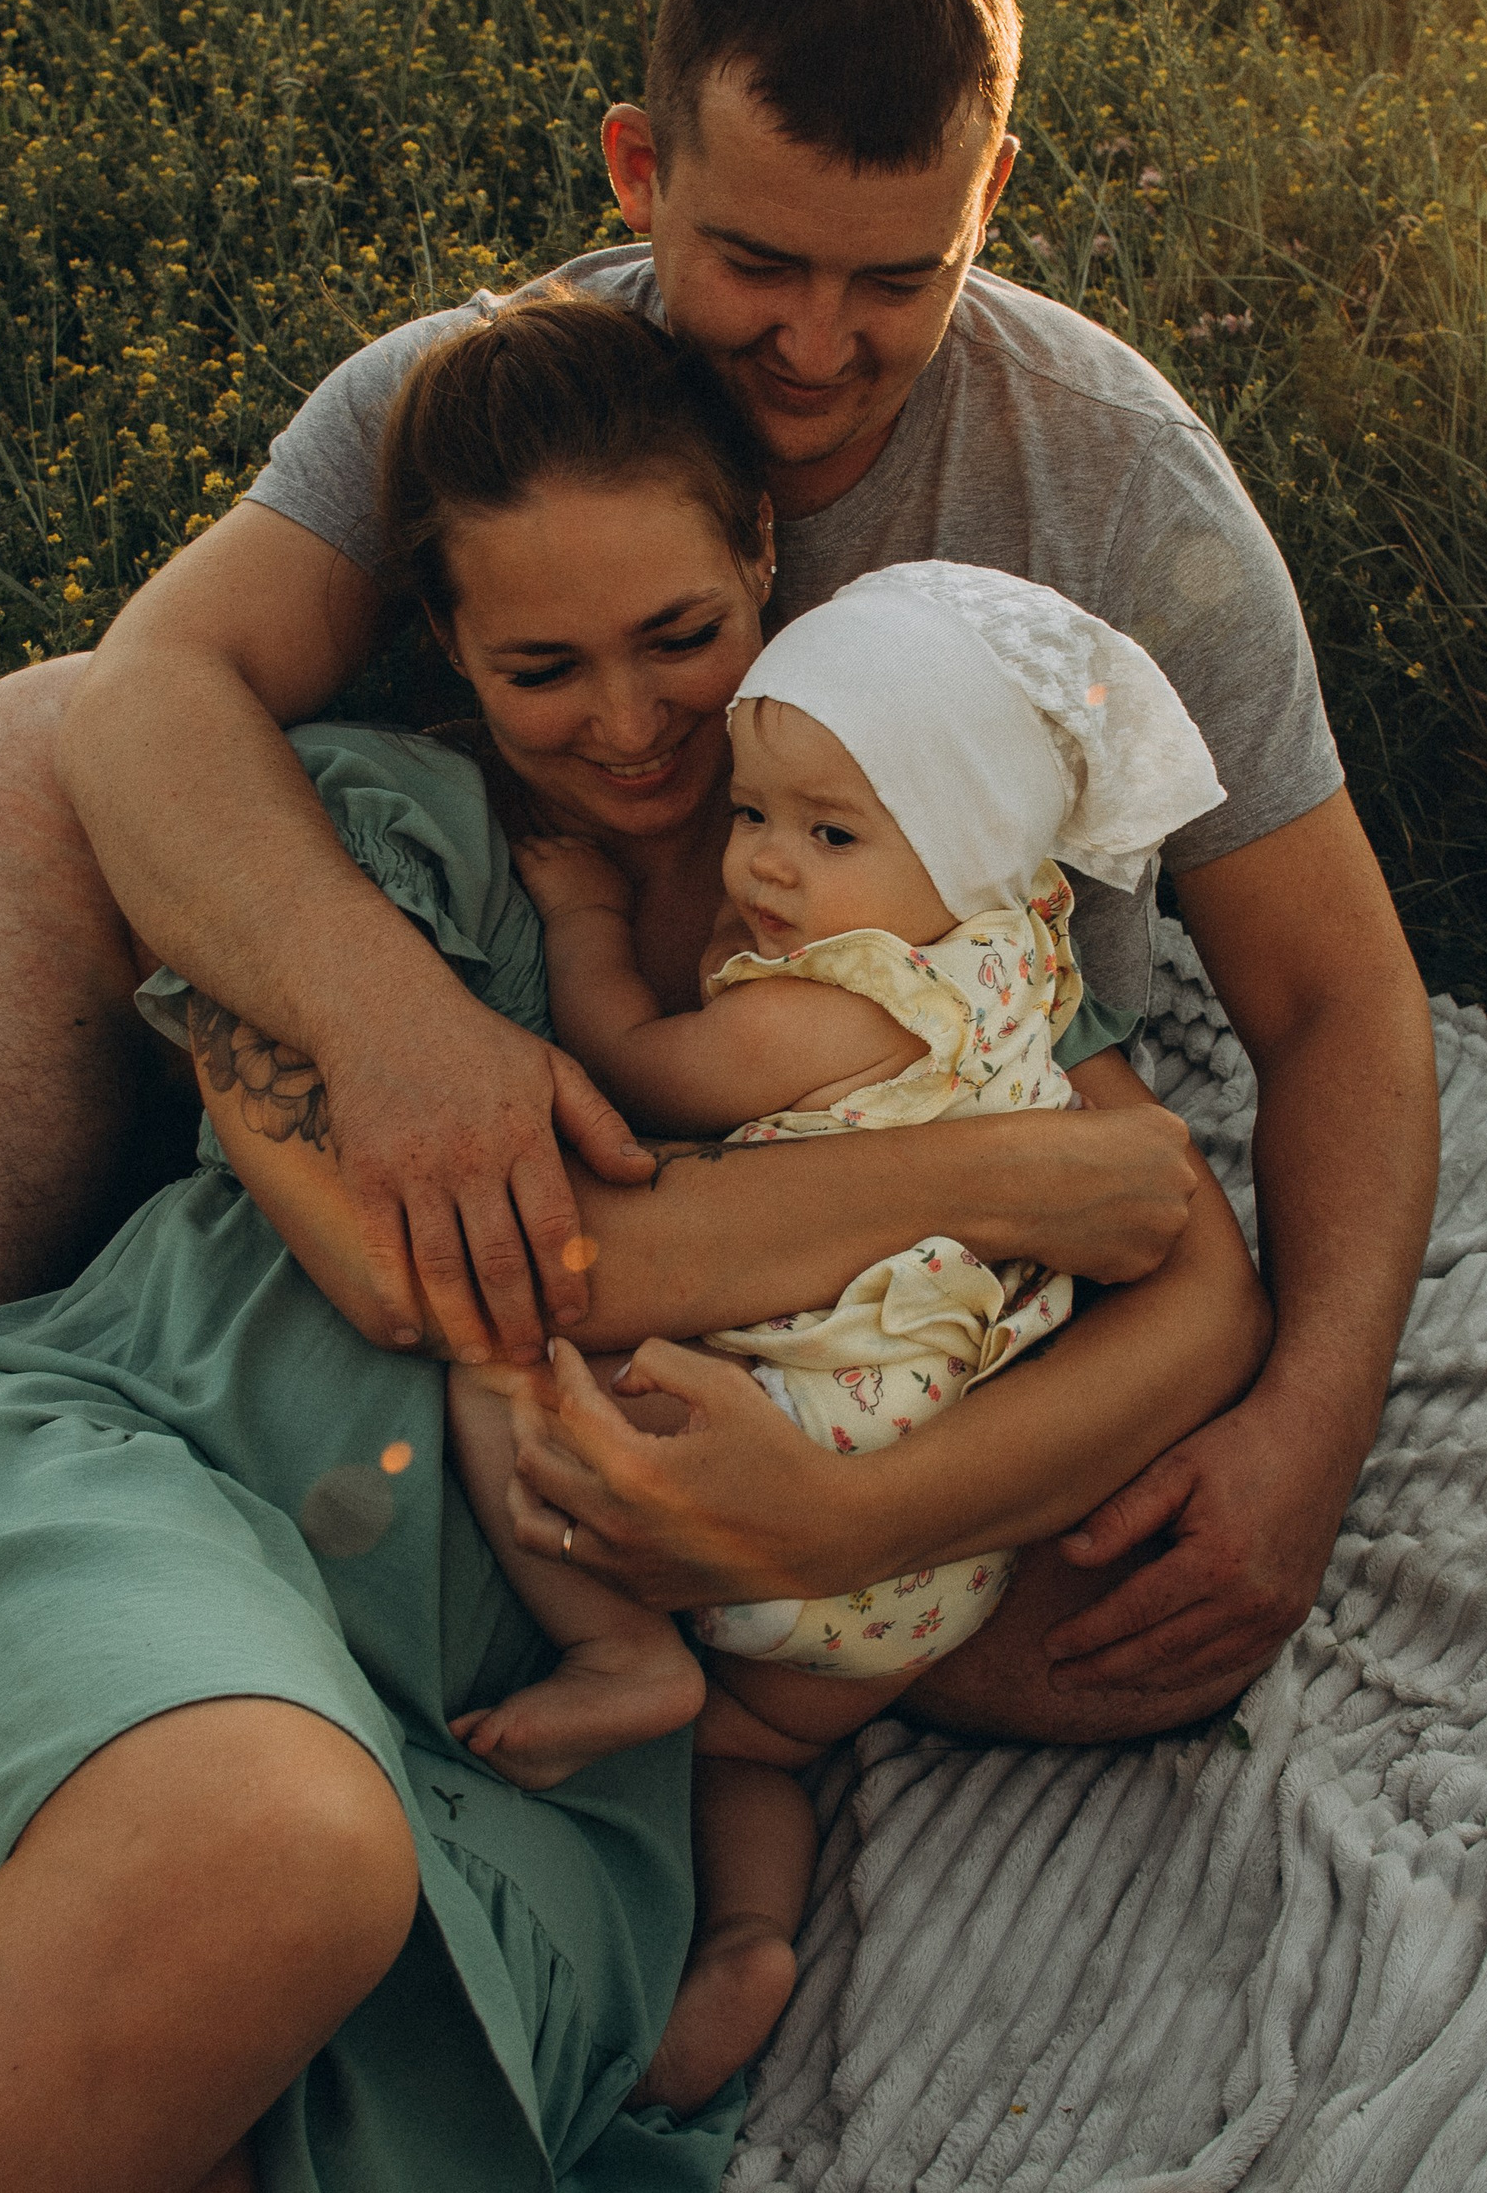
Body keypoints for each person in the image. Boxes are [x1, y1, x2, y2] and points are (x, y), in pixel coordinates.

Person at [0, 0, 1441, 1739]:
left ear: (992, 197)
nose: (821, 345)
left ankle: (690, 1621)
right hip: (581, 1114)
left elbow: (1333, 999)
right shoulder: (487, 410)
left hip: (952, 1177)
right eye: (758, 262)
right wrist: (394, 1026)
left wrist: (1307, 1435)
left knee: (1138, 1615)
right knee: (31, 745)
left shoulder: (1120, 483)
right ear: (638, 171)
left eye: (898, 277)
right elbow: (138, 699)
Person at [0, 300, 1247, 2185]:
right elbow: (430, 1265)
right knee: (269, 1846)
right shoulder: (370, 847)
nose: (632, 721)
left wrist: (848, 1521)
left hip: (526, 1744)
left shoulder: (911, 888)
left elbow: (1185, 1260)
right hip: (182, 1476)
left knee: (218, 2042)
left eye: (681, 636)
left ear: (762, 559)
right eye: (543, 666)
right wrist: (986, 1182)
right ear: (449, 646)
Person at [452, 556, 1231, 2090]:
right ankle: (750, 1935)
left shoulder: (842, 997)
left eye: (829, 833)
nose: (765, 864)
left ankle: (618, 1654)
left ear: (962, 843)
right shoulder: (1019, 960)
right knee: (761, 1744)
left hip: (794, 1441)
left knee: (499, 1358)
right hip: (943, 1549)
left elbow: (646, 1059)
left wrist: (583, 917)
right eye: (753, 813)